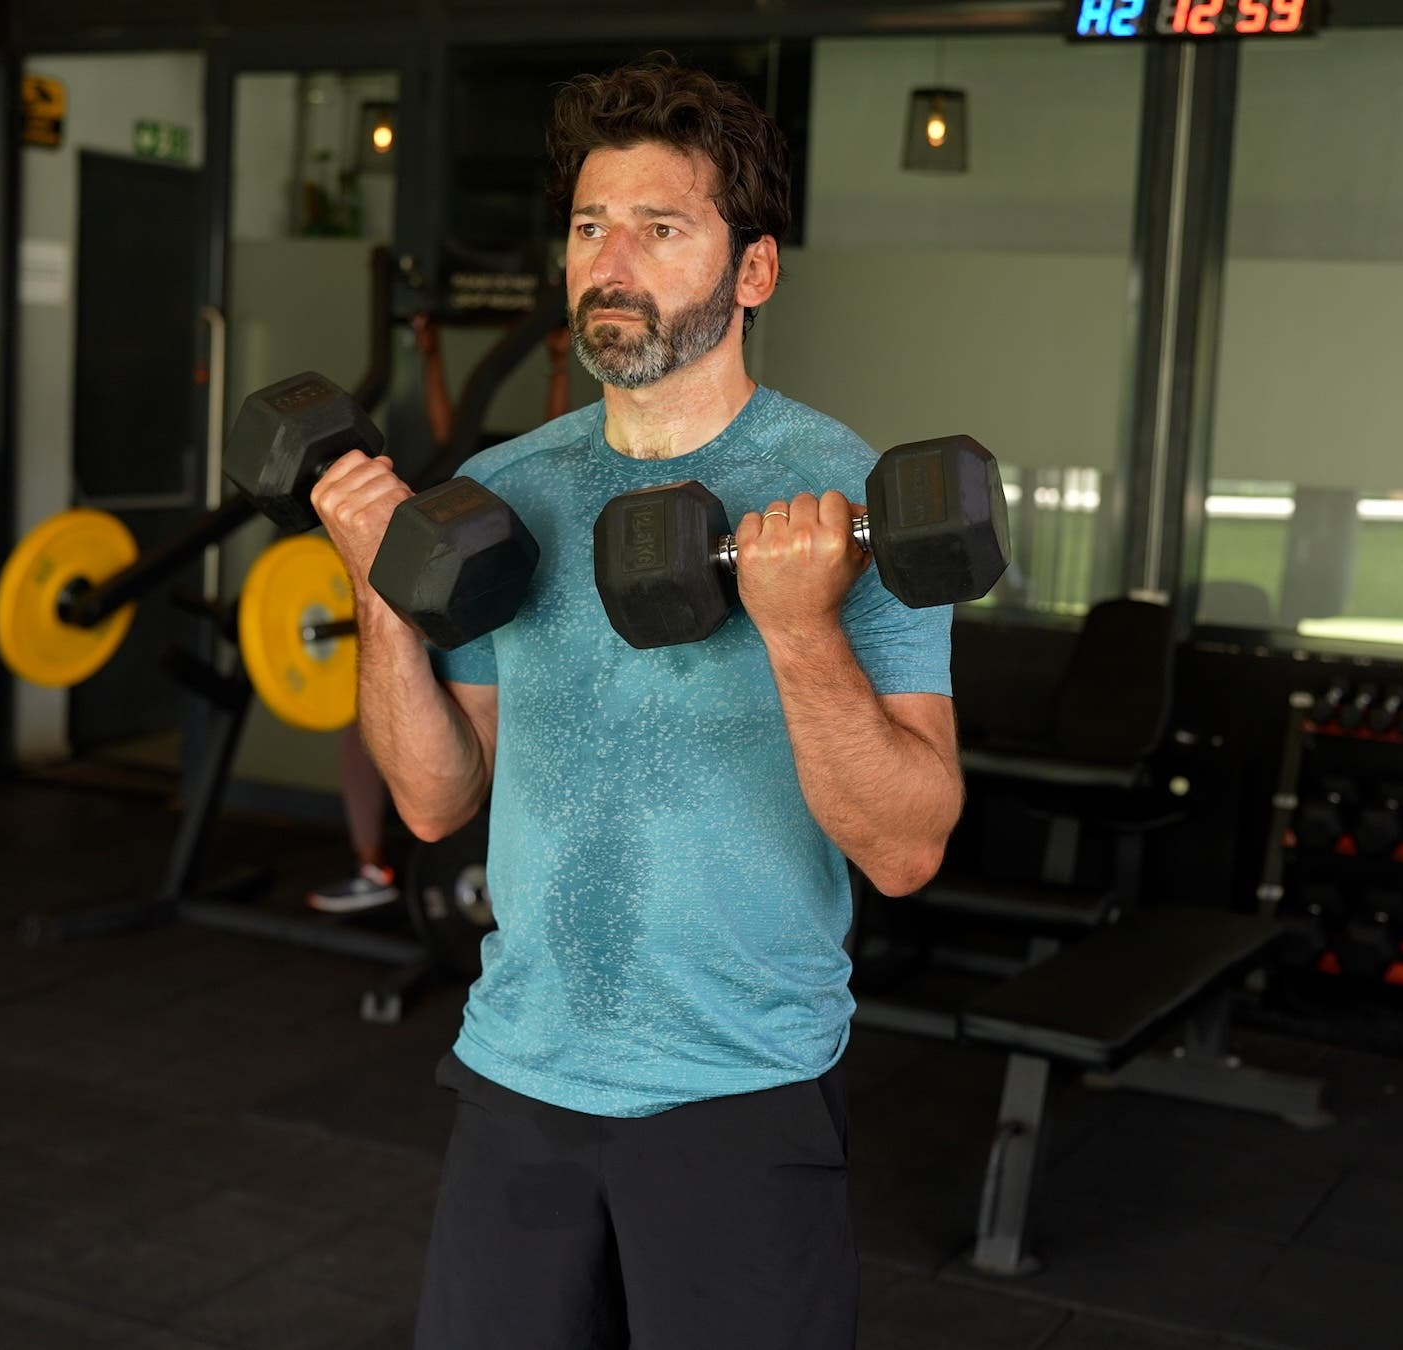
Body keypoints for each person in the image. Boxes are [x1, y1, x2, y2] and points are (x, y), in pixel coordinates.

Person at [311, 60, 962, 1350]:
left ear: (754, 271)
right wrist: (384, 599)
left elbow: (905, 849)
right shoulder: (502, 489)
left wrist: (799, 630)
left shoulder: (848, 494)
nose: (612, 262)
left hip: (740, 1091)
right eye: (590, 226)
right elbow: (438, 802)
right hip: (522, 1075)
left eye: (661, 229)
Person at [306, 314, 576, 915]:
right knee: (368, 731)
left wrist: (560, 363)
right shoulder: (454, 476)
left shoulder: (531, 485)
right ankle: (371, 865)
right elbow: (447, 421)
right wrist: (429, 354)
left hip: (475, 620)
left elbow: (555, 424)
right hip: (418, 606)